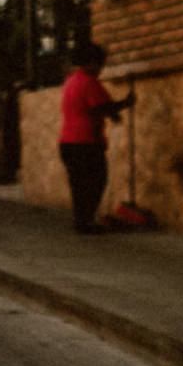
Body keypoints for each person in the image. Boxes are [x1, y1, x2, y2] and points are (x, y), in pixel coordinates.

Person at [57, 41, 134, 234]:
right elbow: (101, 107)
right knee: (96, 181)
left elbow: (90, 107)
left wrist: (112, 114)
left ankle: (81, 221)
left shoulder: (71, 81)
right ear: (91, 62)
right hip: (85, 142)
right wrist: (126, 103)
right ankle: (86, 222)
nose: (101, 69)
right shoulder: (89, 82)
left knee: (79, 184)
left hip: (68, 141)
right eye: (100, 64)